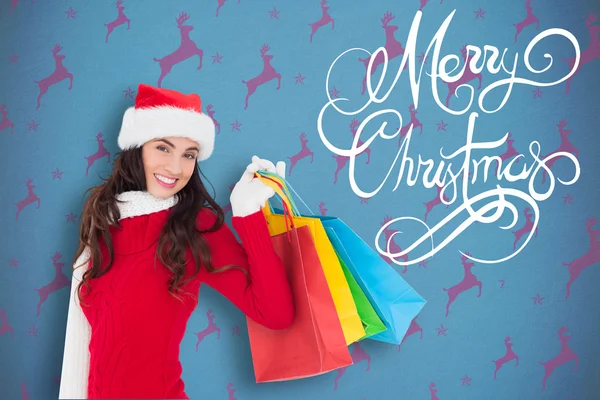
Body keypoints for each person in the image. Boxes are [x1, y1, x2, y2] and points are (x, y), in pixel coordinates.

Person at [58, 83, 295, 399]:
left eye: (189, 155)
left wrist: (248, 214)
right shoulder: (102, 221)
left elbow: (276, 315)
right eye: (163, 148)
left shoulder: (194, 226)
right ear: (137, 147)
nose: (174, 167)